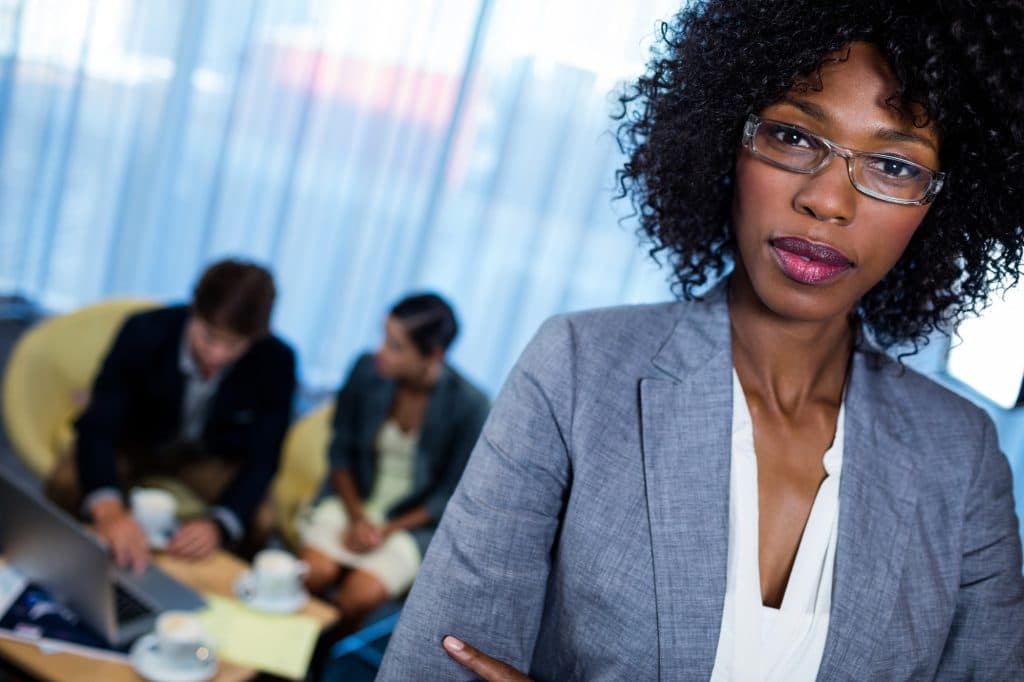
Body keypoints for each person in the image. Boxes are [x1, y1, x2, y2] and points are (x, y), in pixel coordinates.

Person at [378, 1, 1024, 679]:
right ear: (727, 137)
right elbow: (436, 666)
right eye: (793, 136)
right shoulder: (577, 370)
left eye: (894, 166)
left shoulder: (962, 457)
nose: (828, 200)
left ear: (943, 204)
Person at [47, 259, 296, 572]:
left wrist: (219, 525)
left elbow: (263, 458)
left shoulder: (276, 361)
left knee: (261, 517)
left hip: (210, 457)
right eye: (209, 336)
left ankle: (213, 586)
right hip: (136, 442)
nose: (217, 354)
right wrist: (108, 509)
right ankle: (61, 561)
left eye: (234, 345)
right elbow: (98, 426)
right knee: (67, 480)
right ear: (194, 310)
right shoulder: (144, 331)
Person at [297, 293, 489, 635]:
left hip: (412, 523)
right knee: (313, 572)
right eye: (384, 338)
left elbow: (449, 494)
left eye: (396, 346)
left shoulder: (469, 406)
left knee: (359, 595)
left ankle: (320, 654)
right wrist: (358, 519)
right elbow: (340, 453)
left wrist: (384, 531)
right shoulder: (366, 371)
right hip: (353, 500)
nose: (381, 352)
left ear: (434, 356)